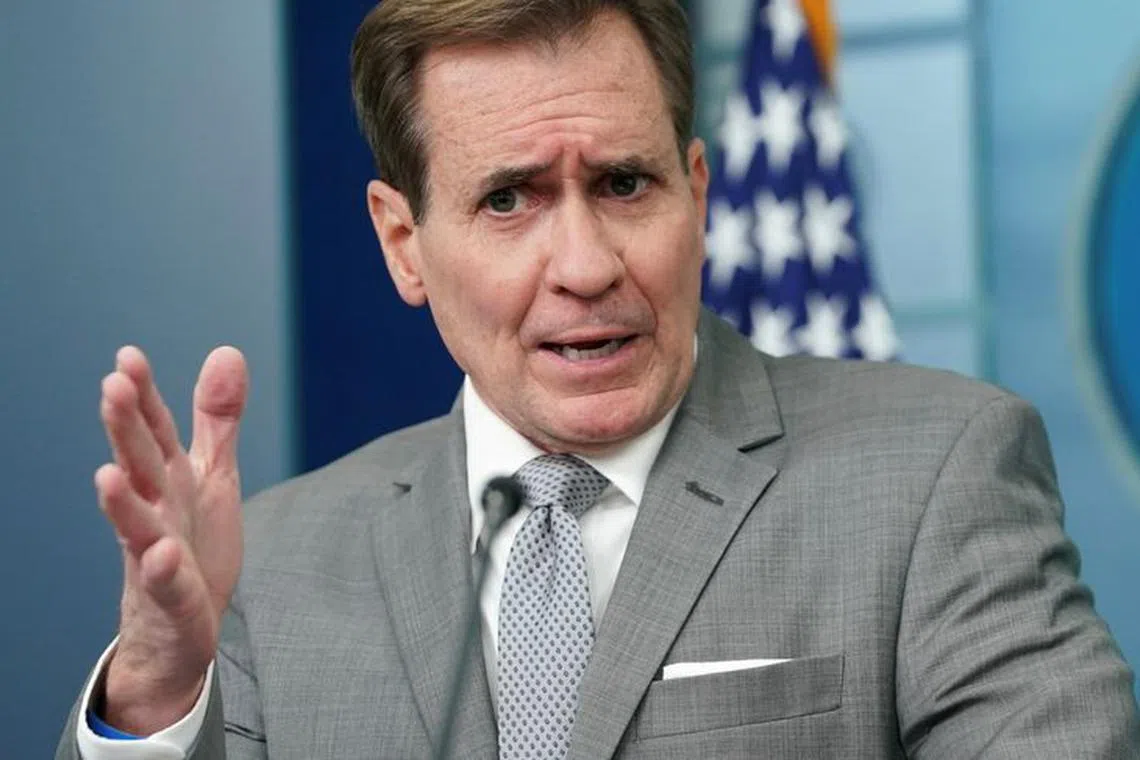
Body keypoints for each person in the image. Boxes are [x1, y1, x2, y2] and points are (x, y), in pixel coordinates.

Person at [57, 0, 1140, 757]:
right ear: (402, 244)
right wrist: (156, 686)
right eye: (509, 200)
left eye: (624, 184)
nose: (585, 266)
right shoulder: (266, 570)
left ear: (697, 193)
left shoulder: (934, 478)